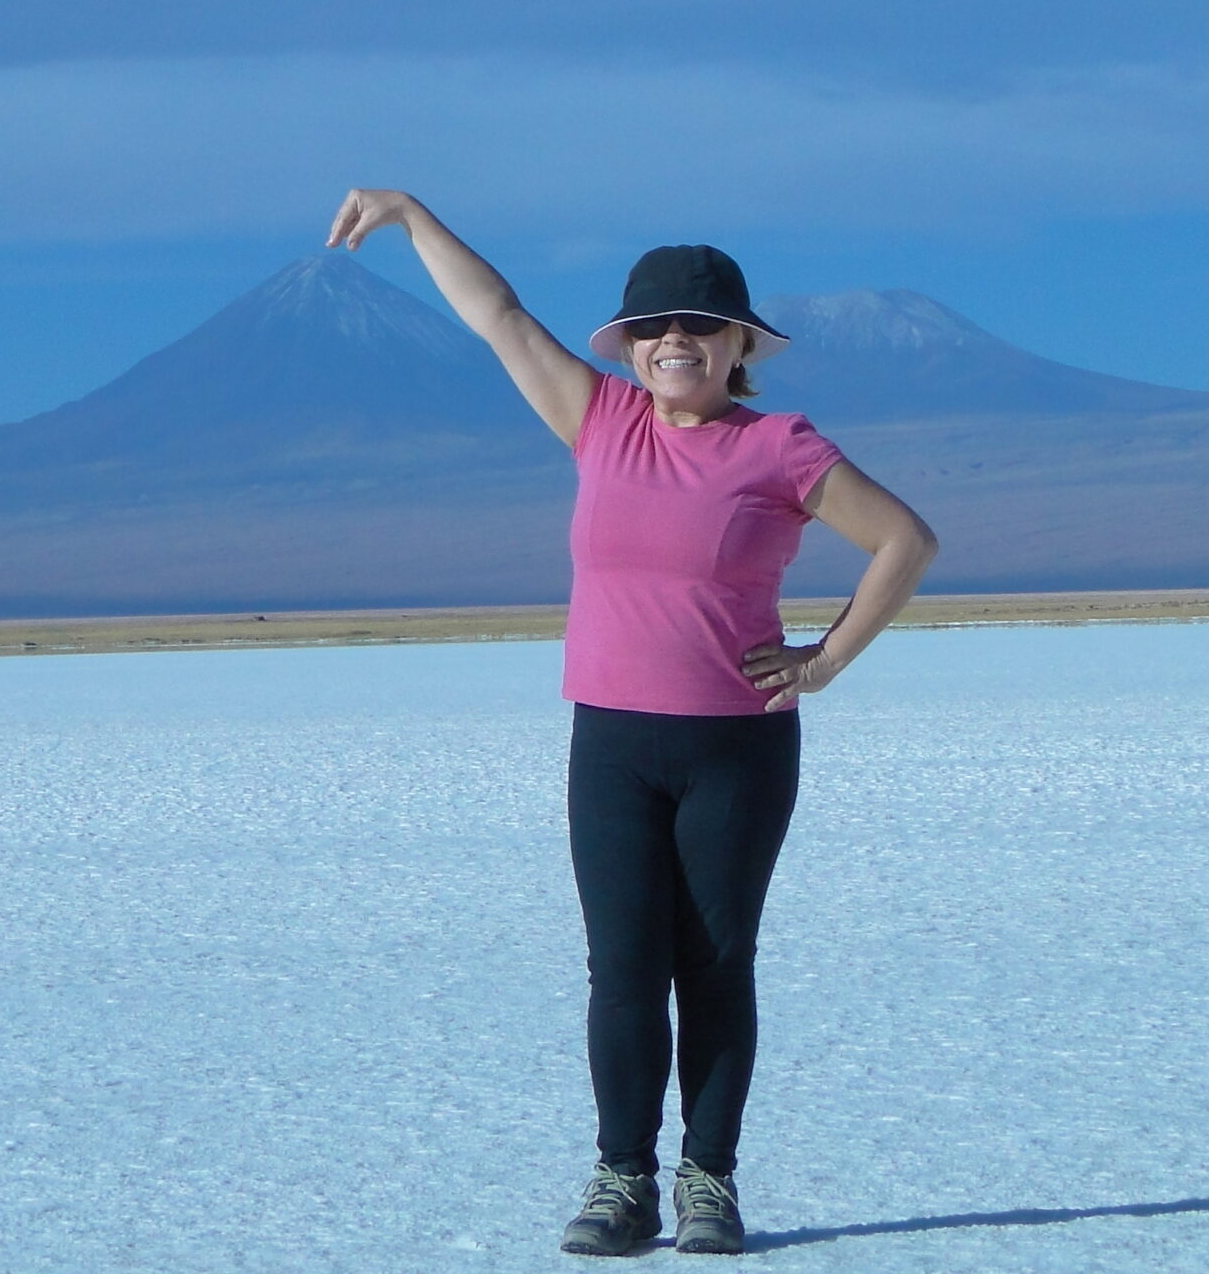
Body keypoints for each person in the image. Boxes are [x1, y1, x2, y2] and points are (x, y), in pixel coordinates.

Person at [325, 190, 939, 1256]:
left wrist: (826, 660)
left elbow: (904, 541)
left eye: (697, 326)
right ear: (630, 344)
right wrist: (415, 221)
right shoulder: (598, 420)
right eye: (651, 328)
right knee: (621, 969)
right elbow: (503, 318)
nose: (672, 344)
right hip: (610, 744)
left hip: (733, 746)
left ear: (738, 342)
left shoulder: (780, 447)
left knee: (712, 967)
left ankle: (707, 1181)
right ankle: (622, 1181)